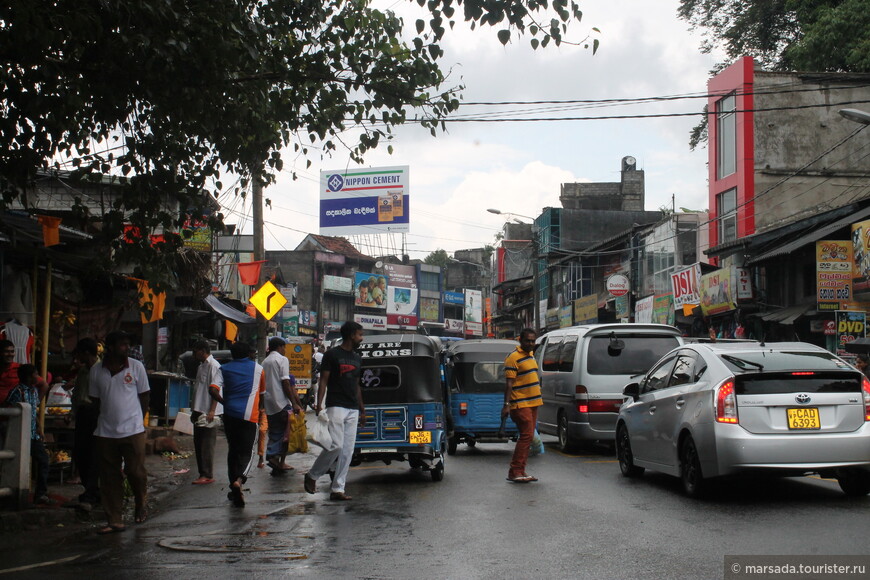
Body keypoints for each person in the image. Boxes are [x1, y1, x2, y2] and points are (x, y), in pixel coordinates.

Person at [89, 330, 150, 534]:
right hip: (105, 431)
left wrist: (138, 422)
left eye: (127, 344)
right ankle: (114, 518)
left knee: (135, 471)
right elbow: (95, 401)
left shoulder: (136, 367)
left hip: (132, 429)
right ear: (111, 348)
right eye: (122, 345)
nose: (126, 348)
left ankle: (141, 502)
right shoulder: (97, 371)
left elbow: (144, 396)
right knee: (109, 477)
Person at [304, 321, 365, 501]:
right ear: (351, 335)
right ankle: (313, 475)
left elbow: (356, 384)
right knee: (336, 446)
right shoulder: (331, 355)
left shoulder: (357, 357)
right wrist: (319, 404)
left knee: (347, 451)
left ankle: (338, 488)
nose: (361, 338)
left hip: (353, 407)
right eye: (360, 335)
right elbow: (323, 380)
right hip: (336, 404)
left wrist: (362, 409)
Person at [210, 342, 266, 507]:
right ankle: (239, 480)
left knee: (233, 450)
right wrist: (261, 410)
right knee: (247, 451)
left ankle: (232, 484)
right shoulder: (258, 369)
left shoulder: (224, 369)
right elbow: (262, 394)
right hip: (249, 416)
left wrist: (224, 401)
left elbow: (212, 389)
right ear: (249, 353)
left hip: (230, 415)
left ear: (232, 355)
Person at [5, 364, 51, 504]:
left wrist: (38, 426)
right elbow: (9, 409)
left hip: (33, 434)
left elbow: (33, 411)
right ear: (28, 376)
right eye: (35, 374)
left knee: (44, 460)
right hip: (20, 434)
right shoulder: (18, 391)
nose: (37, 377)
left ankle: (40, 493)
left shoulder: (34, 391)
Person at [502, 328, 543, 483]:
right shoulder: (513, 357)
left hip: (533, 403)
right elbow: (509, 383)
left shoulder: (530, 355)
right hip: (520, 403)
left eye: (533, 341)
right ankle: (515, 471)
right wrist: (506, 405)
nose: (531, 343)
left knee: (529, 436)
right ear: (521, 340)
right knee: (526, 436)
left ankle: (520, 470)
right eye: (528, 341)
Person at [261, 336, 302, 475]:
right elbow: (286, 382)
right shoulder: (282, 359)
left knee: (275, 431)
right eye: (284, 347)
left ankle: (278, 460)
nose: (285, 350)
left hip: (269, 403)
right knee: (286, 433)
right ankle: (274, 456)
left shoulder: (265, 361)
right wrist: (294, 403)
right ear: (279, 347)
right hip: (281, 402)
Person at [70, 338, 101, 510]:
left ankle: (92, 492)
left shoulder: (102, 370)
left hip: (95, 414)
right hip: (82, 414)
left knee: (93, 454)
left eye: (80, 353)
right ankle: (89, 490)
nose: (77, 357)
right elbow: (77, 394)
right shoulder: (82, 372)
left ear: (86, 353)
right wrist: (73, 413)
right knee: (80, 452)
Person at [190, 340, 223, 485]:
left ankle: (207, 474)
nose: (194, 354)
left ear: (203, 350)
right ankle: (202, 472)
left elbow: (216, 389)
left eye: (196, 350)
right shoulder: (201, 366)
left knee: (207, 444)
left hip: (209, 411)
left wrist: (212, 410)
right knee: (198, 443)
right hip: (199, 409)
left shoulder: (214, 366)